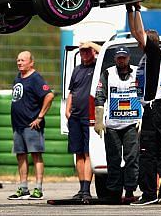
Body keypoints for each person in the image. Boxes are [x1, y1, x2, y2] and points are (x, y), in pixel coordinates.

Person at [127, 1, 161, 206]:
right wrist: (130, 9)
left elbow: (139, 32)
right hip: (159, 108)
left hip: (156, 109)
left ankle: (149, 193)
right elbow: (135, 31)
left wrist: (138, 10)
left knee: (147, 152)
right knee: (157, 150)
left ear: (149, 43)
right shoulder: (154, 57)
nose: (137, 43)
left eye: (141, 41)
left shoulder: (154, 53)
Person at [94, 45, 140, 204]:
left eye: (124, 57)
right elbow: (99, 96)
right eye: (119, 58)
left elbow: (145, 94)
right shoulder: (107, 73)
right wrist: (99, 119)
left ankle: (129, 191)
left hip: (132, 123)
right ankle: (114, 193)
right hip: (112, 125)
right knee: (113, 159)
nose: (122, 60)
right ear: (115, 59)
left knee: (132, 158)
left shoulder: (137, 72)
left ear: (128, 58)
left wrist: (143, 116)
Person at [8, 51, 54, 200]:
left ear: (31, 62)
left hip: (31, 125)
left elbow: (49, 95)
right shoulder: (18, 77)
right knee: (21, 156)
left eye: (22, 60)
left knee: (36, 155)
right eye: (18, 60)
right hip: (18, 125)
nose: (19, 63)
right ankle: (23, 188)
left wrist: (40, 117)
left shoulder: (35, 78)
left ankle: (38, 188)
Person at [66, 41, 100, 201]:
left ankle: (87, 188)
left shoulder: (97, 67)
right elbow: (72, 91)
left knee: (88, 153)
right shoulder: (77, 70)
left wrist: (92, 44)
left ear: (93, 52)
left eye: (88, 51)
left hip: (89, 117)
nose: (85, 54)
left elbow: (106, 53)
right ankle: (81, 188)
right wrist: (68, 109)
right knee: (78, 153)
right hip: (75, 117)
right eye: (83, 52)